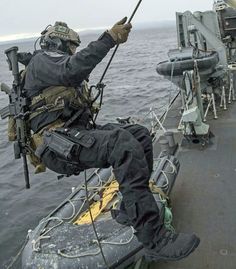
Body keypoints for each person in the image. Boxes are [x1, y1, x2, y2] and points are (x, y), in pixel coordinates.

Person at [23, 19, 200, 261]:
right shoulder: (43, 60)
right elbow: (72, 69)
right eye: (71, 47)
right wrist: (109, 38)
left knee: (137, 134)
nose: (73, 51)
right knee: (121, 144)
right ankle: (154, 239)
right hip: (56, 146)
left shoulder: (49, 64)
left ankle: (130, 208)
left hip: (70, 136)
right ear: (58, 43)